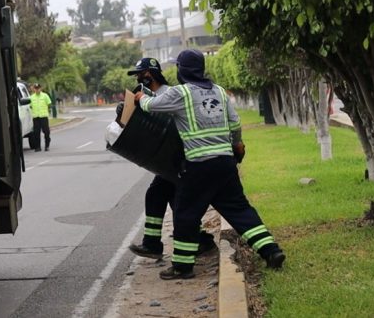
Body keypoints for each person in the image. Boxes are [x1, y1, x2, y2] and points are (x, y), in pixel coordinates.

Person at [136, 50, 285, 280]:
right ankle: (271, 250)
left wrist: (140, 98)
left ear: (181, 69)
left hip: (198, 166)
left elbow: (151, 106)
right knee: (240, 210)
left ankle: (183, 267)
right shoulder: (219, 91)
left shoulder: (181, 92)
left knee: (186, 214)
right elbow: (235, 124)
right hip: (225, 164)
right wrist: (237, 145)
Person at [121, 58, 217, 260]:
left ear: (150, 74)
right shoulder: (148, 96)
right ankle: (159, 243)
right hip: (168, 160)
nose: (138, 78)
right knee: (161, 196)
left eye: (141, 73)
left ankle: (191, 242)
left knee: (175, 202)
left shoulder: (169, 93)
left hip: (180, 158)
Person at [30, 83, 53, 151]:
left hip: (43, 116)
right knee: (36, 133)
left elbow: (49, 104)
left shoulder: (45, 96)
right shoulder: (31, 97)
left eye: (38, 88)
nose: (37, 90)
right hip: (36, 117)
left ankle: (47, 145)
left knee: (46, 132)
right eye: (36, 88)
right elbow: (30, 106)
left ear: (41, 88)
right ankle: (38, 147)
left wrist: (48, 111)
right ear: (34, 89)